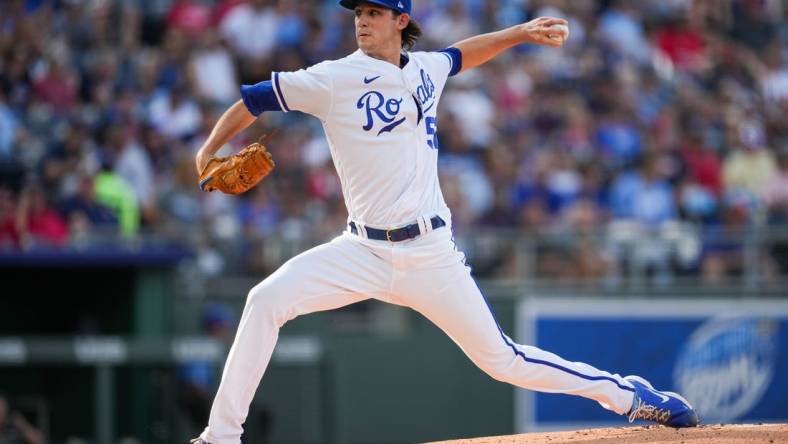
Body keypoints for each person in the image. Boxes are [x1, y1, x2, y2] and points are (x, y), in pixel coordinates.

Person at [191, 2, 699, 442]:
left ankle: (630, 396)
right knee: (264, 301)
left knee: (503, 361)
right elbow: (253, 100)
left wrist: (520, 33)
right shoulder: (333, 78)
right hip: (360, 251)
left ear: (400, 20)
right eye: (359, 13)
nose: (362, 21)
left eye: (373, 13)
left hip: (431, 253)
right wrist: (210, 148)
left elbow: (462, 54)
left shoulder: (425, 69)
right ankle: (221, 437)